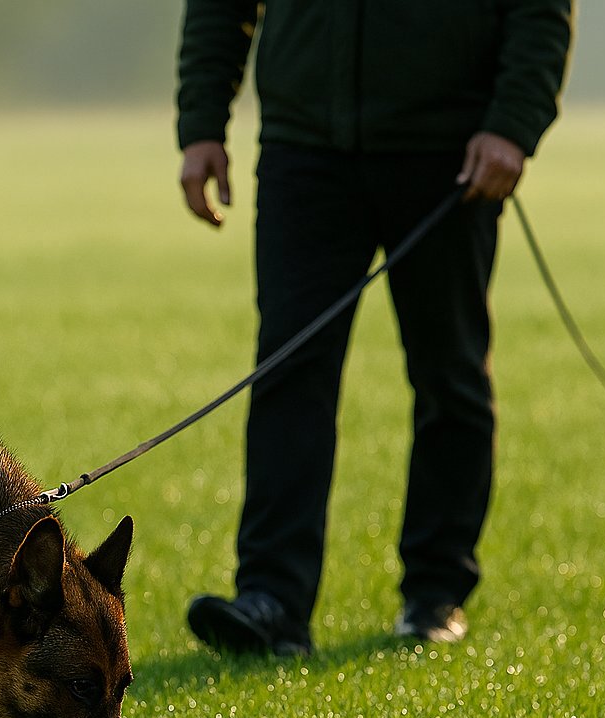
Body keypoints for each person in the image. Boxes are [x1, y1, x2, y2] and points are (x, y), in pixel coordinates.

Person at [177, 0, 573, 657]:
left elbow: (540, 8)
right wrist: (201, 123)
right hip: (303, 149)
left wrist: (513, 123)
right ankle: (272, 600)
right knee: (287, 372)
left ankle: (435, 594)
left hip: (446, 150)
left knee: (450, 373)